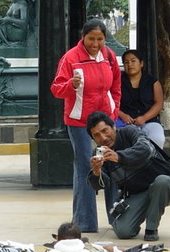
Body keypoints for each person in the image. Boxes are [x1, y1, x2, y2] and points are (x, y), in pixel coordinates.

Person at [51, 19, 122, 233]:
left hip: (104, 121)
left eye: (100, 39)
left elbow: (116, 85)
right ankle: (85, 222)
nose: (95, 43)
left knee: (111, 163)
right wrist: (69, 86)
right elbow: (56, 89)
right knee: (85, 166)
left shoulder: (108, 56)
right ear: (83, 37)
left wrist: (114, 111)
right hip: (79, 121)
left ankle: (117, 217)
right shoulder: (71, 58)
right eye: (91, 38)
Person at [86, 111, 170, 242]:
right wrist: (96, 172)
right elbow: (100, 184)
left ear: (114, 127)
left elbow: (145, 149)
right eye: (97, 135)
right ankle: (146, 209)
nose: (103, 137)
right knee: (123, 231)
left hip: (164, 187)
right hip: (137, 194)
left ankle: (151, 228)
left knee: (162, 181)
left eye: (105, 130)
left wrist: (119, 157)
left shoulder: (130, 131)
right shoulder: (100, 152)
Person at [117, 49, 165, 148]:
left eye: (133, 61)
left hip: (149, 121)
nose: (130, 64)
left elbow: (159, 104)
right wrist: (122, 115)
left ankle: (153, 162)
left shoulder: (152, 82)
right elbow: (110, 102)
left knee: (157, 139)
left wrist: (144, 118)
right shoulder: (117, 83)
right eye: (126, 62)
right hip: (125, 122)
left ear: (141, 63)